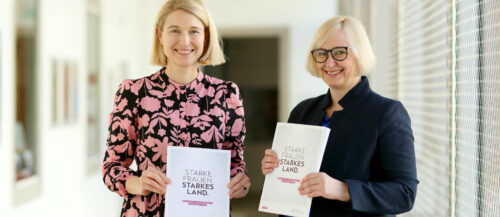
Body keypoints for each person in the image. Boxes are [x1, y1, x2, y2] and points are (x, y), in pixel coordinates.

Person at [102, 0, 251, 216]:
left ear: (206, 37)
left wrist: (242, 184)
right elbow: (111, 168)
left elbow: (235, 165)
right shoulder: (133, 92)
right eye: (174, 31)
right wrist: (138, 183)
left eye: (194, 31)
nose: (185, 40)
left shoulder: (226, 95)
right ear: (160, 35)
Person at [261, 15, 418, 217]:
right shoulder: (303, 111)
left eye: (339, 52)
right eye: (322, 54)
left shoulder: (386, 113)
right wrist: (276, 167)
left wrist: (343, 190)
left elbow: (404, 194)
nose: (329, 62)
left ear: (360, 54)